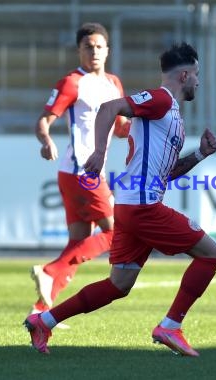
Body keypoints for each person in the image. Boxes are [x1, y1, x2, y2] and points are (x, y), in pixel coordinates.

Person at [24, 42, 216, 357]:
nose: (198, 81)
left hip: (135, 205)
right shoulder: (160, 99)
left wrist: (200, 153)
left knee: (119, 285)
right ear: (184, 75)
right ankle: (171, 325)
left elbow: (168, 172)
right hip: (142, 206)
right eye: (196, 75)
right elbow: (109, 107)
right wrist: (100, 151)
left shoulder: (170, 115)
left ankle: (44, 320)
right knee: (211, 255)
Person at [29, 22, 131, 326]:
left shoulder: (114, 83)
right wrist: (46, 140)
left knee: (78, 241)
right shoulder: (72, 82)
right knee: (117, 233)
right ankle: (50, 271)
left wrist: (140, 124)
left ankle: (38, 313)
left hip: (77, 174)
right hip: (82, 171)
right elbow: (43, 121)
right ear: (79, 50)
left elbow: (122, 127)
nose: (95, 51)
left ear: (108, 50)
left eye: (100, 46)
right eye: (89, 46)